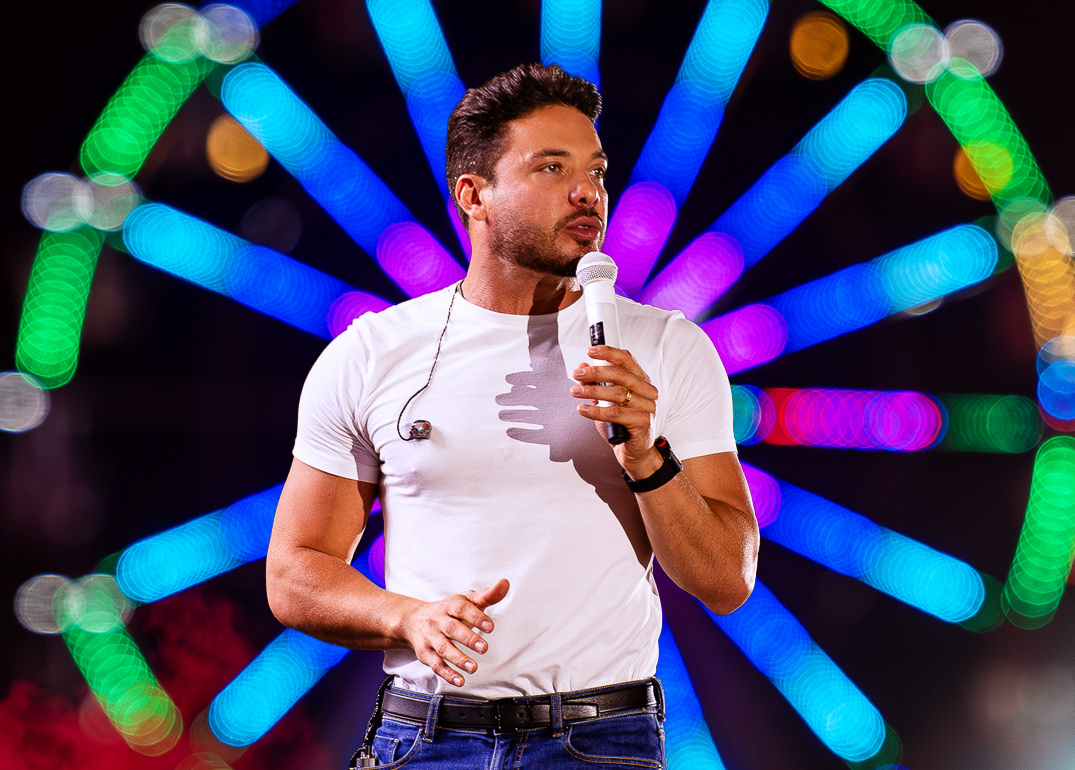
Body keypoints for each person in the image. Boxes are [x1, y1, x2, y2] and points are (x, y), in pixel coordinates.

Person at [266, 62, 759, 769]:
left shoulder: (667, 347)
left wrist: (646, 457)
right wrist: (406, 617)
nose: (588, 191)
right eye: (551, 168)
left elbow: (726, 581)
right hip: (424, 737)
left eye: (596, 170)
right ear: (474, 195)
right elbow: (293, 573)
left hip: (598, 742)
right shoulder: (372, 353)